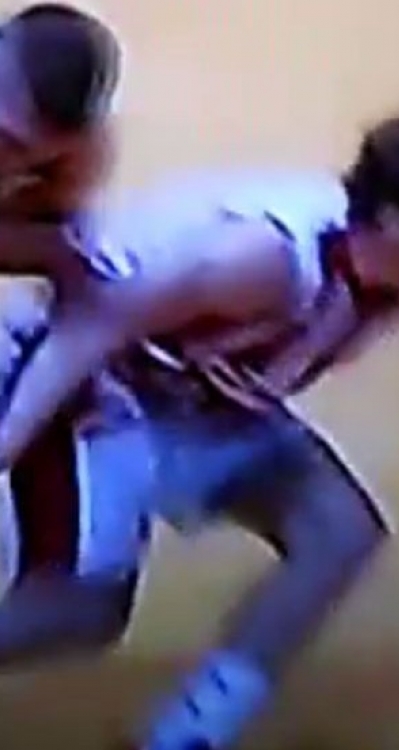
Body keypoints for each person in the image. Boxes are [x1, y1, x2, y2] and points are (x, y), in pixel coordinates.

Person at [0, 101, 399, 750]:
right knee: (83, 611)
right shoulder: (266, 260)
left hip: (204, 400)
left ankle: (190, 734)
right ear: (398, 222)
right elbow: (95, 321)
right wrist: (9, 440)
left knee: (339, 528)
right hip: (99, 378)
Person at [0, 2, 147, 665]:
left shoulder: (81, 152)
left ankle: (51, 578)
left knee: (58, 357)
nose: (9, 159)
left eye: (26, 152)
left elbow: (67, 263)